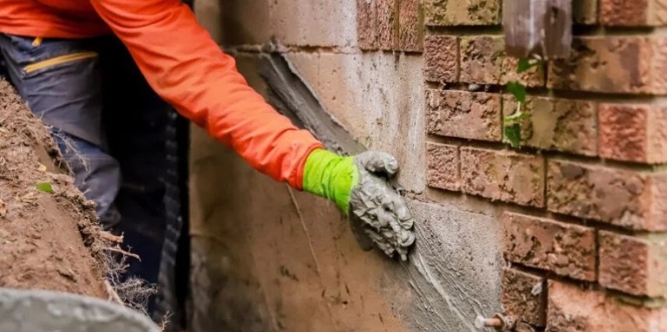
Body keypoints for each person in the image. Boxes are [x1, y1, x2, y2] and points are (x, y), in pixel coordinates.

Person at [0, 0, 415, 304]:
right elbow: (200, 82)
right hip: (43, 19)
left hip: (144, 16)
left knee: (145, 184)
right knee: (85, 198)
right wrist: (323, 171)